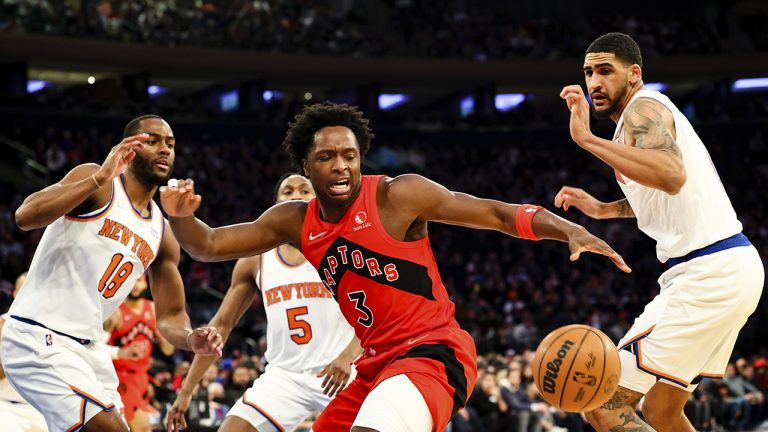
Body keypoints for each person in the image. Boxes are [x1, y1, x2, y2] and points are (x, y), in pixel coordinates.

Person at [160, 102, 630, 432]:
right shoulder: (294, 221)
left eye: (349, 155)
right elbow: (209, 245)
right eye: (326, 157)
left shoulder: (396, 195)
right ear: (306, 165)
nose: (341, 166)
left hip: (433, 353)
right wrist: (180, 217)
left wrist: (567, 229)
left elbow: (495, 213)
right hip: (375, 364)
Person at [556, 32, 765, 432]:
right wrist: (603, 209)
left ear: (634, 73)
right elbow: (662, 194)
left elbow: (671, 175)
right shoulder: (631, 126)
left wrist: (585, 139)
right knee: (662, 411)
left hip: (708, 273)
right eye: (588, 73)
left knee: (601, 405)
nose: (595, 82)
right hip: (726, 268)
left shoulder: (643, 108)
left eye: (605, 71)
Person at [1, 114, 224, 432]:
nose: (165, 149)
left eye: (170, 144)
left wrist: (190, 337)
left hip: (90, 348)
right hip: (37, 335)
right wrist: (98, 177)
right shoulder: (100, 182)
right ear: (129, 147)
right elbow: (25, 216)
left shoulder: (163, 232)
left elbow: (170, 316)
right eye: (153, 141)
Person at [166, 173, 361, 432]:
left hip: (340, 370)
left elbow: (378, 314)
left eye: (304, 190)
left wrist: (348, 357)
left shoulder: (344, 248)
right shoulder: (256, 259)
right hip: (285, 377)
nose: (295, 196)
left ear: (318, 199)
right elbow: (220, 326)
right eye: (287, 192)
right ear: (276, 205)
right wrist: (186, 391)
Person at [105, 274, 175, 432]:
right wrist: (121, 352)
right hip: (120, 377)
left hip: (142, 377)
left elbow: (168, 350)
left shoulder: (153, 309)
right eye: (132, 280)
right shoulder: (115, 311)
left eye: (139, 281)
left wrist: (165, 335)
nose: (135, 285)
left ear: (145, 284)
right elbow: (97, 347)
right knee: (142, 427)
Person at [0, 272, 47, 432]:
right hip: (7, 408)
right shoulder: (2, 324)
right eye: (26, 289)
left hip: (41, 410)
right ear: (15, 293)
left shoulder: (51, 329)